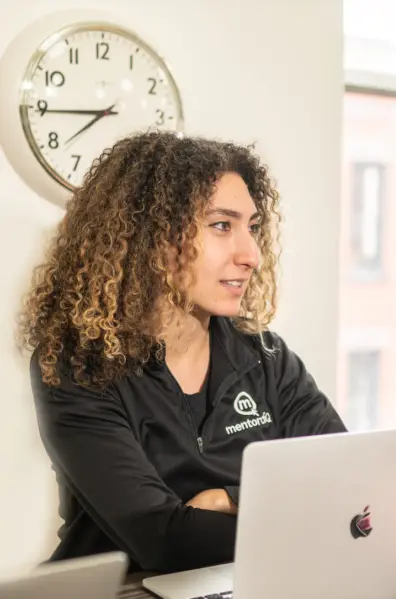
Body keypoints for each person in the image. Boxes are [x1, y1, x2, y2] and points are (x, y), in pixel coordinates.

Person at [19, 131, 347, 574]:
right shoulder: (77, 366)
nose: (251, 254)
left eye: (251, 227)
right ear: (151, 238)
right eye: (221, 225)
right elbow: (163, 539)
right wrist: (313, 521)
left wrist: (230, 499)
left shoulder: (267, 357)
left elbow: (346, 481)